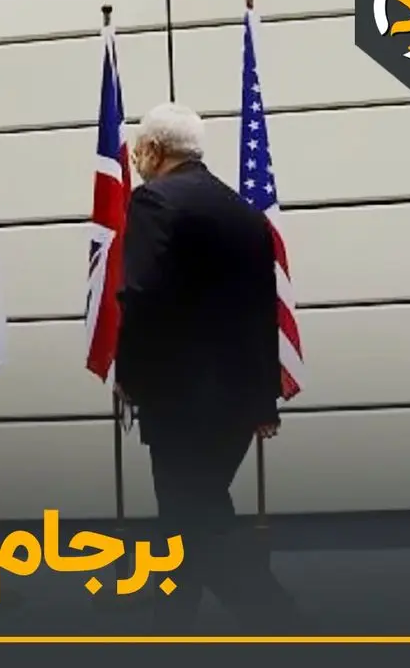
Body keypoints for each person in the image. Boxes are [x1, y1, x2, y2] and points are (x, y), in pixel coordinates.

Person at [115, 102, 299, 633]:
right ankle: (170, 626)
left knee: (199, 522)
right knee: (185, 518)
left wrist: (130, 376)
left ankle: (285, 625)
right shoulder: (243, 212)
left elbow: (142, 296)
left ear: (154, 150)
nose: (135, 160)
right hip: (237, 403)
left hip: (181, 400)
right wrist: (264, 401)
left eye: (138, 150)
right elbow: (263, 309)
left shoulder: (153, 200)